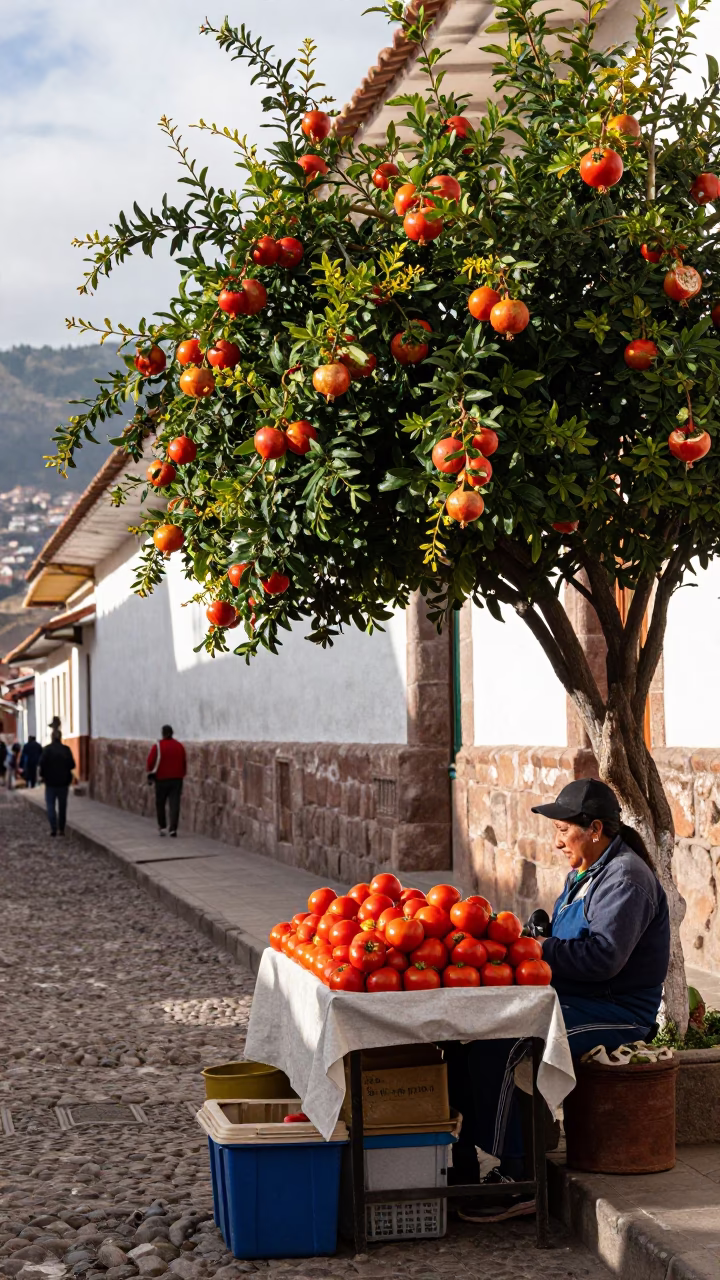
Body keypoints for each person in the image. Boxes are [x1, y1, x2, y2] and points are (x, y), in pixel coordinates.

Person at [448, 777, 670, 1222]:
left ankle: (515, 1175)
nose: (556, 843)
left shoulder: (625, 878)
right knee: (468, 1036)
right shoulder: (586, 871)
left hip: (617, 1011)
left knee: (505, 1043)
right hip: (570, 998)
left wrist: (535, 948)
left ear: (595, 829)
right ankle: (472, 1156)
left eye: (563, 831)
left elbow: (603, 958)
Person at [146, 725, 186, 837]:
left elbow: (150, 761)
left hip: (161, 779)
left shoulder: (158, 746)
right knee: (175, 803)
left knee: (160, 803)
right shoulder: (179, 746)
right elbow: (184, 762)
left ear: (162, 733)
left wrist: (150, 772)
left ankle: (162, 826)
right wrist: (182, 774)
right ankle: (173, 829)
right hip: (177, 778)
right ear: (172, 733)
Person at [39, 729, 76, 836]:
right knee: (62, 806)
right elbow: (72, 765)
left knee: (50, 805)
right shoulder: (66, 749)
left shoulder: (47, 750)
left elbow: (41, 764)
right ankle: (62, 829)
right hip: (63, 782)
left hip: (50, 782)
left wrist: (43, 776)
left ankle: (53, 828)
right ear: (60, 737)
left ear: (51, 737)